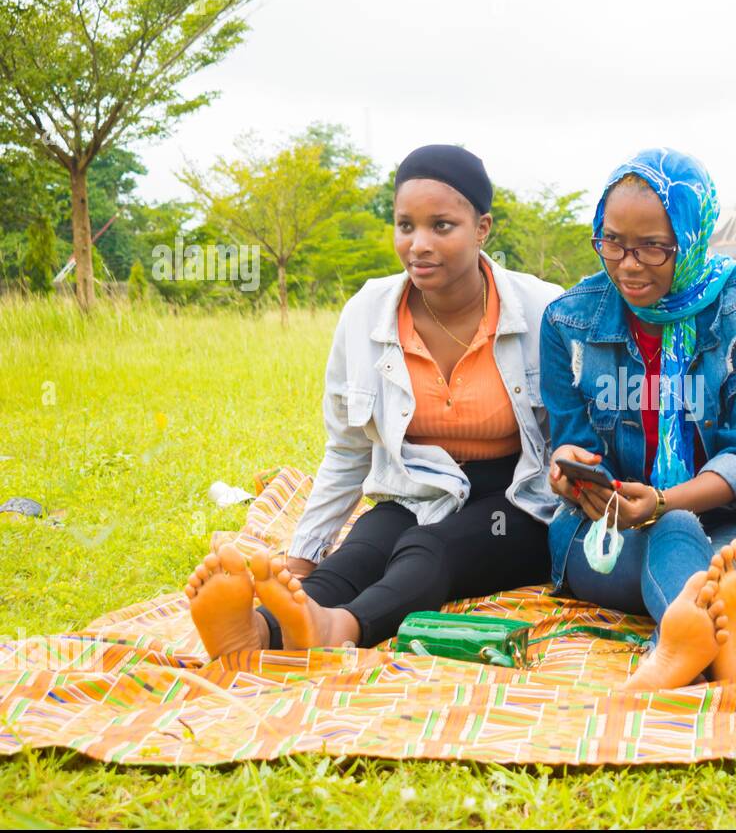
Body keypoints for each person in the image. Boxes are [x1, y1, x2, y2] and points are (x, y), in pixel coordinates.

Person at [184, 144, 563, 657]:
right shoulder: (366, 313)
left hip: (514, 502)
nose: (418, 244)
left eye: (442, 226)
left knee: (426, 550)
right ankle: (260, 630)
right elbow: (346, 452)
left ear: (483, 228)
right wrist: (301, 557)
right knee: (362, 550)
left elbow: (573, 432)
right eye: (406, 225)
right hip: (414, 486)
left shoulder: (544, 309)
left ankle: (343, 629)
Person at [541, 147, 736, 691]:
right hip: (610, 530)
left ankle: (681, 645)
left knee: (699, 539)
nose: (628, 264)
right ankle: (719, 644)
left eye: (653, 248)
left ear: (690, 237)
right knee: (688, 542)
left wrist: (664, 503)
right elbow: (572, 440)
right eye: (611, 241)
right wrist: (570, 467)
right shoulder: (567, 319)